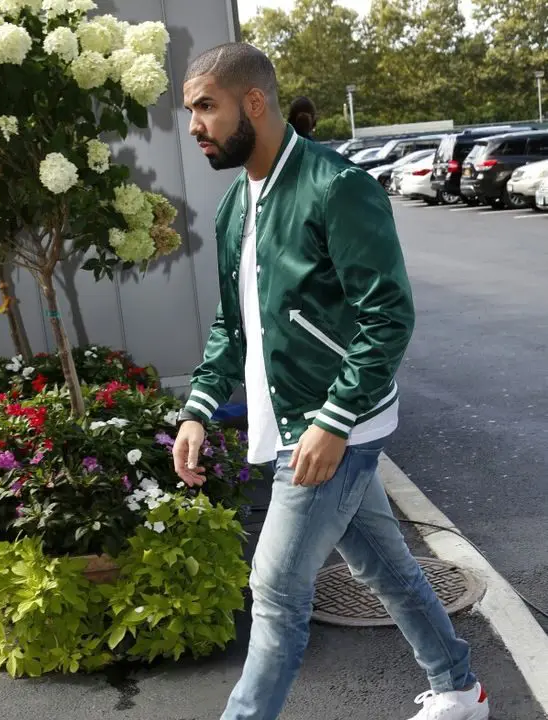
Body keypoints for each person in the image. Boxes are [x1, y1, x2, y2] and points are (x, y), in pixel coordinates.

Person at [176, 42, 489, 720]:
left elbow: (388, 316)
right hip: (294, 422)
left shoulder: (336, 186)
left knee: (276, 592)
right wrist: (199, 407)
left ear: (252, 103)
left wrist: (334, 419)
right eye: (191, 111)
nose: (195, 125)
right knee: (387, 567)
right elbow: (234, 323)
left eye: (205, 107)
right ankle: (461, 690)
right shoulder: (236, 205)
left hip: (332, 428)